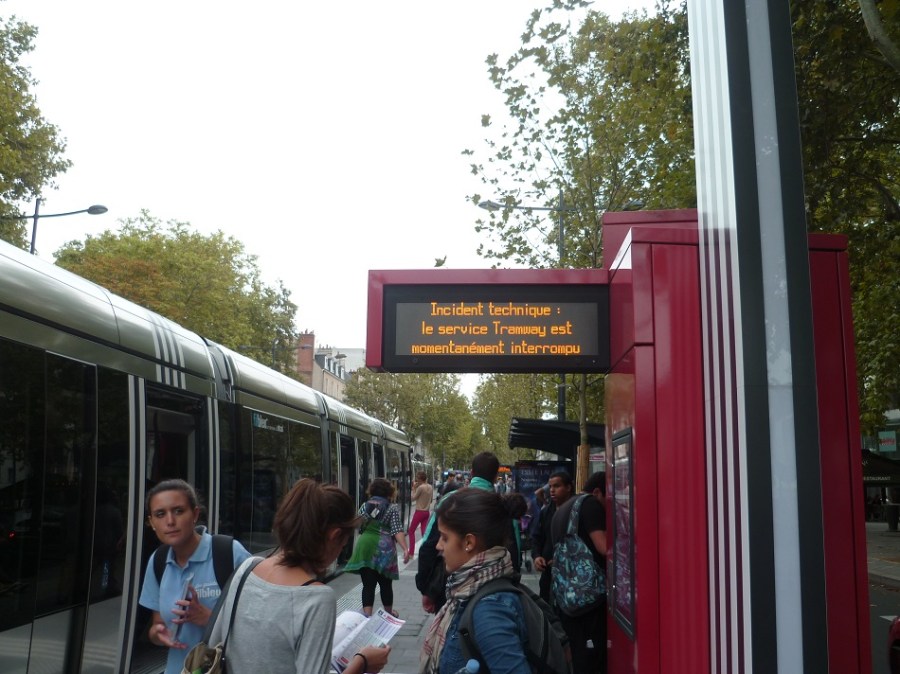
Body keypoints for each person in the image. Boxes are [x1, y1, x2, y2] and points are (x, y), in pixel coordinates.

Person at [208, 478, 390, 674]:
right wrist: (362, 662)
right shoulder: (317, 598)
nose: (341, 550)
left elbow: (214, 644)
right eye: (344, 543)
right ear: (334, 535)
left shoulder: (246, 568)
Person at [138, 479, 251, 674]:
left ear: (195, 514)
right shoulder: (158, 561)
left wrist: (209, 618)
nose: (170, 521)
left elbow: (261, 621)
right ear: (152, 523)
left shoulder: (228, 553)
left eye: (178, 511)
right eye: (160, 514)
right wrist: (158, 634)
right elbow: (158, 624)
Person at [419, 488, 529, 674]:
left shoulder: (490, 609)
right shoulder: (465, 590)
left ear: (469, 542)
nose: (438, 545)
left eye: (445, 538)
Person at [417, 452, 522, 613]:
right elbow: (515, 553)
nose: (440, 545)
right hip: (493, 588)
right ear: (496, 476)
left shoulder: (450, 500)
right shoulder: (504, 506)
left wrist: (427, 589)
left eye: (444, 538)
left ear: (472, 472)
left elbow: (428, 545)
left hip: (448, 586)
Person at [550, 471, 607, 674]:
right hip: (590, 598)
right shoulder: (590, 504)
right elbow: (604, 547)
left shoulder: (563, 509)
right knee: (595, 657)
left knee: (578, 654)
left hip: (567, 598)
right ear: (598, 492)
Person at [344, 478, 408, 617]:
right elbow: (396, 530)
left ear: (371, 491)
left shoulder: (365, 506)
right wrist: (405, 549)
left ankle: (367, 615)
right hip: (384, 549)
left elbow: (358, 525)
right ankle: (388, 613)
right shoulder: (392, 508)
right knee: (386, 584)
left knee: (368, 585)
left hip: (365, 545)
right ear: (389, 492)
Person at [531, 471, 574, 602]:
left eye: (556, 486)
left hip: (571, 576)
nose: (552, 490)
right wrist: (537, 556)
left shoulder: (576, 511)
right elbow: (537, 537)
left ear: (568, 487)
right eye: (550, 487)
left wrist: (563, 559)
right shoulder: (546, 512)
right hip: (548, 574)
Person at [408, 471, 434, 558]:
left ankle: (411, 553)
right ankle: (426, 551)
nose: (416, 480)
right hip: (426, 512)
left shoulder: (420, 487)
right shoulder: (430, 487)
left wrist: (413, 488)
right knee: (424, 533)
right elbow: (431, 500)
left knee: (411, 531)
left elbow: (413, 498)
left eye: (417, 478)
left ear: (419, 479)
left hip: (419, 512)